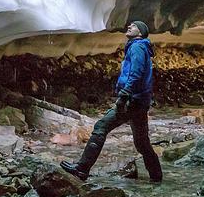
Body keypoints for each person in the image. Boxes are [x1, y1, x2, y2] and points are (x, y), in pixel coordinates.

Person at [60, 21, 163, 183]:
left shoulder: (137, 47)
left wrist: (124, 95)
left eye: (134, 26)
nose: (129, 26)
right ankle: (156, 177)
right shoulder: (140, 47)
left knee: (101, 127)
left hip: (132, 100)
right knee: (142, 143)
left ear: (141, 33)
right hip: (140, 101)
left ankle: (82, 169)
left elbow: (136, 73)